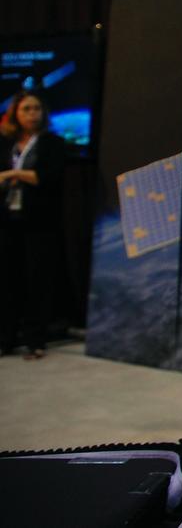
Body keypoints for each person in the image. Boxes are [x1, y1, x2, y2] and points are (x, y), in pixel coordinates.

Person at [0, 91, 66, 360]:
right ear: (16, 113)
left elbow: (50, 177)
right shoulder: (6, 144)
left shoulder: (52, 143)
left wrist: (15, 174)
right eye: (26, 109)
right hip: (8, 219)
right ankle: (5, 339)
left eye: (36, 108)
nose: (32, 114)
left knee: (36, 281)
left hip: (40, 221)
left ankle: (35, 340)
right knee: (7, 280)